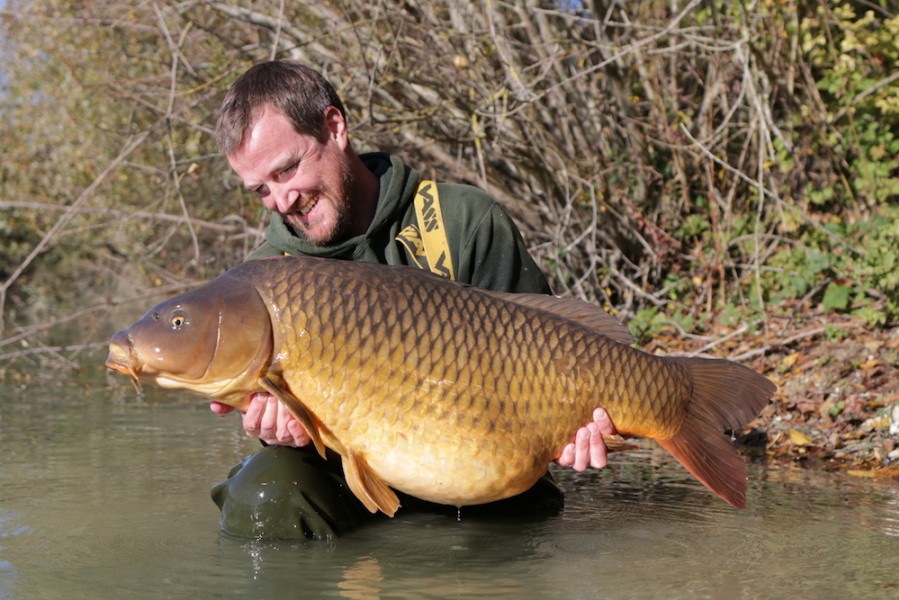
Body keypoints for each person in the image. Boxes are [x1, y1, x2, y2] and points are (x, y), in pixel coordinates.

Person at [207, 60, 617, 539]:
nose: (282, 200)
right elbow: (281, 421)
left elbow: (551, 354)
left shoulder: (461, 220)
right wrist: (279, 429)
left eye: (288, 169)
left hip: (485, 473)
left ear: (335, 127)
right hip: (352, 483)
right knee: (262, 494)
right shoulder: (264, 282)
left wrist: (575, 424)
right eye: (261, 190)